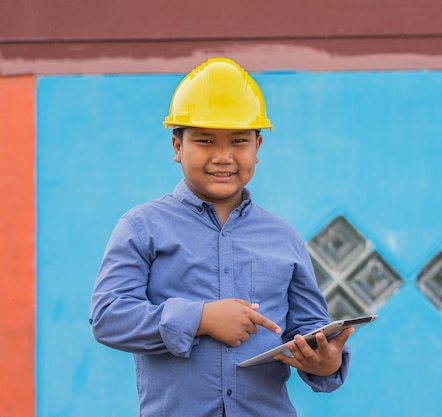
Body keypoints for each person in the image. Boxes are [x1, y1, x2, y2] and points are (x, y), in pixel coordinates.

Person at [90, 57, 354, 416]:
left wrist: (326, 360)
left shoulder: (283, 237)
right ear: (177, 147)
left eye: (239, 141)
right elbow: (109, 317)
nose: (223, 156)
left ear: (257, 148)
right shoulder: (142, 227)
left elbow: (309, 328)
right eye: (205, 140)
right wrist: (200, 318)